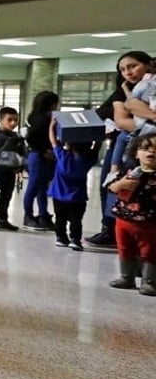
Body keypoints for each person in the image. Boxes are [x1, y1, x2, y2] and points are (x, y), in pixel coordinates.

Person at [90, 52, 154, 245]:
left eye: (133, 66)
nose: (128, 72)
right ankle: (111, 229)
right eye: (123, 69)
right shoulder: (123, 91)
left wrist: (140, 112)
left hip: (148, 149)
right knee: (114, 184)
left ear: (149, 65)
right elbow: (122, 121)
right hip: (128, 145)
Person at [106, 132, 156, 296]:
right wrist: (122, 183)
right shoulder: (129, 172)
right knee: (124, 248)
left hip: (150, 223)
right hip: (123, 221)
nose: (151, 152)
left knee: (150, 251)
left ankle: (149, 281)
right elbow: (111, 187)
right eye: (146, 148)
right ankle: (126, 276)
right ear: (136, 153)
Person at [47, 116, 99, 251]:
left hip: (59, 196)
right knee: (76, 220)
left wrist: (52, 126)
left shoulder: (63, 157)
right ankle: (75, 240)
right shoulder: (87, 161)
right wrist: (98, 136)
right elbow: (96, 149)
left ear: (68, 144)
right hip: (78, 198)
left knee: (60, 218)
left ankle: (61, 238)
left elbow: (53, 141)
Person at [22, 90, 59, 230]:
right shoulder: (40, 119)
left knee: (42, 188)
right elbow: (31, 139)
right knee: (33, 186)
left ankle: (43, 215)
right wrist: (45, 151)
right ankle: (28, 216)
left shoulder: (38, 117)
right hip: (38, 156)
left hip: (44, 155)